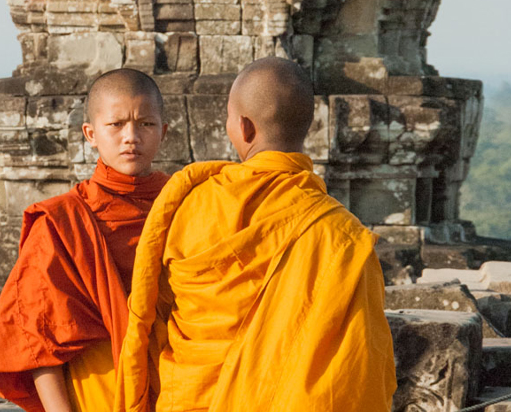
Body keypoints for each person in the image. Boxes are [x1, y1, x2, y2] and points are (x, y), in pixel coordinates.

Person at [115, 57, 397, 412]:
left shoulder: (191, 203)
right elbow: (359, 372)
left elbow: (152, 320)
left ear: (244, 128)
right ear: (306, 128)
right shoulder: (341, 237)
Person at [0, 68, 169, 412]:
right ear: (91, 134)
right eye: (116, 124)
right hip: (97, 398)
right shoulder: (62, 223)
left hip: (181, 393)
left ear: (163, 132)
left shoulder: (186, 205)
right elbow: (38, 339)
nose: (131, 136)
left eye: (146, 124)